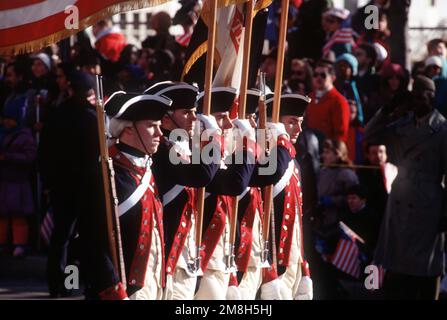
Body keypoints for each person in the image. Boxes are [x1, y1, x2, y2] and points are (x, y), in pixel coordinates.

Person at [364, 75, 447, 300]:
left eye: (426, 95)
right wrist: (388, 108)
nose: (421, 100)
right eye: (417, 95)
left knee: (426, 270)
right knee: (396, 270)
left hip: (429, 204)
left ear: (433, 97)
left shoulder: (442, 129)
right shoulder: (402, 124)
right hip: (400, 199)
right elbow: (369, 135)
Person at [92, 91, 172, 300]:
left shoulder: (145, 167)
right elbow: (91, 239)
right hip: (125, 290)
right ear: (127, 129)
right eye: (151, 126)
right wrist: (111, 288)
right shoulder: (108, 174)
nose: (159, 134)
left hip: (155, 283)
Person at [145, 81, 220, 300]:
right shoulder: (163, 150)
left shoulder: (183, 147)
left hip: (184, 251)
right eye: (187, 112)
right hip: (166, 251)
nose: (195, 119)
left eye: (195, 112)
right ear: (166, 118)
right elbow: (202, 175)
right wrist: (213, 137)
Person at [194, 87, 256, 300]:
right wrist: (248, 143)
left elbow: (266, 174)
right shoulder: (195, 157)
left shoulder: (219, 156)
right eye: (221, 118)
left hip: (222, 261)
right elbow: (236, 183)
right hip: (203, 262)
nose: (231, 124)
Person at [38, 71, 97, 297]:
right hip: (85, 186)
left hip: (62, 186)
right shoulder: (92, 118)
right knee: (79, 238)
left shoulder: (57, 115)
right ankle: (75, 283)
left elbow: (44, 153)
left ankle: (60, 284)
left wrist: (48, 181)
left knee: (62, 238)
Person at [256, 92, 313, 300]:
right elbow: (271, 173)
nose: (298, 129)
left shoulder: (291, 158)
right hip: (272, 255)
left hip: (292, 254)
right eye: (292, 122)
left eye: (300, 122)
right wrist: (279, 141)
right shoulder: (264, 155)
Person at [0, 101, 37, 257]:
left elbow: (30, 157)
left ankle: (19, 244)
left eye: (10, 118)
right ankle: (2, 243)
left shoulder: (25, 136)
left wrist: (8, 157)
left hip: (18, 181)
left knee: (18, 216)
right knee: (2, 216)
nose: (6, 122)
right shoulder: (2, 134)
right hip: (4, 180)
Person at [306, 61, 350, 144]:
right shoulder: (310, 97)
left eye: (323, 75)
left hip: (328, 149)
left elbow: (341, 134)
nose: (318, 78)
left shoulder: (339, 101)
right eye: (315, 75)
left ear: (333, 78)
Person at [357, 143, 397, 223]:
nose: (378, 156)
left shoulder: (392, 170)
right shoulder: (362, 171)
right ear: (368, 155)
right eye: (374, 153)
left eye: (381, 152)